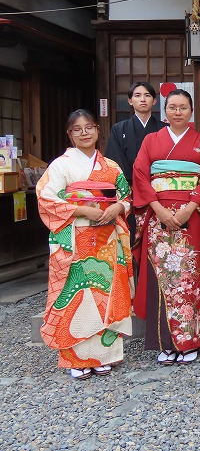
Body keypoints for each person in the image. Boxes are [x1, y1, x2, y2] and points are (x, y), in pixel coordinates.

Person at [36, 110, 134, 380]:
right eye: (77, 129)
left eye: (89, 127)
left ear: (97, 130)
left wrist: (117, 207)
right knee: (77, 296)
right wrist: (82, 210)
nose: (84, 133)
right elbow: (47, 199)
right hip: (75, 238)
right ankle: (76, 359)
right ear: (70, 134)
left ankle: (104, 356)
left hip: (107, 238)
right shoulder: (60, 166)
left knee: (106, 295)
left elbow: (127, 197)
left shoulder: (111, 166)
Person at [132, 89, 200, 365]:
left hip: (191, 216)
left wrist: (190, 207)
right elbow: (140, 175)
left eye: (183, 107)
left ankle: (190, 340)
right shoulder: (151, 140)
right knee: (161, 277)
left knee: (190, 278)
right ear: (165, 111)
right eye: (172, 107)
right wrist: (157, 208)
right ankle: (164, 342)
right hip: (158, 215)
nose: (177, 112)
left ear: (191, 111)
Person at [104, 81, 167, 234]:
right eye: (137, 95)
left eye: (147, 95)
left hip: (158, 188)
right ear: (130, 101)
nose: (143, 99)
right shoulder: (119, 129)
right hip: (129, 189)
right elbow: (115, 161)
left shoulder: (164, 129)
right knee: (131, 232)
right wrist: (131, 185)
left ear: (154, 101)